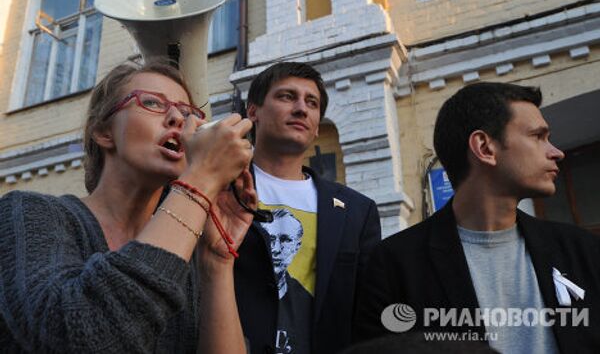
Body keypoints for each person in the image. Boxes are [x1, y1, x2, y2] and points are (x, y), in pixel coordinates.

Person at [0, 60, 257, 353]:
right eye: (152, 103)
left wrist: (216, 262)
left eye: (187, 114)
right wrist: (202, 178)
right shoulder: (28, 213)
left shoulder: (187, 255)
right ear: (103, 132)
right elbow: (78, 336)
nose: (177, 119)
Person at [353, 83, 600, 353]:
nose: (556, 152)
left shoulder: (581, 250)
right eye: (538, 136)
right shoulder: (395, 265)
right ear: (484, 147)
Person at [234, 62, 382, 354]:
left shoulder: (356, 211)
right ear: (253, 112)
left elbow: (367, 311)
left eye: (311, 103)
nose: (301, 108)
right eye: (287, 96)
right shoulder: (220, 191)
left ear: (316, 127)